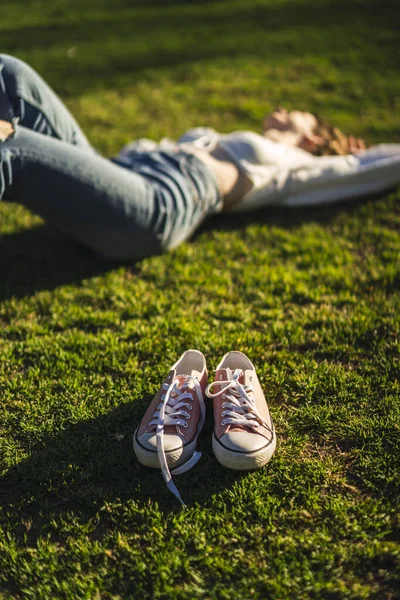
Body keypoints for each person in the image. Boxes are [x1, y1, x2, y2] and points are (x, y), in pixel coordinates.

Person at [1, 53, 400, 262]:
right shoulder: (227, 138)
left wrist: (352, 154)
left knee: (13, 149)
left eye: (301, 113)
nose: (286, 107)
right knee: (11, 73)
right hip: (118, 174)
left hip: (157, 205)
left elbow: (376, 167)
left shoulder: (299, 167)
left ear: (312, 138)